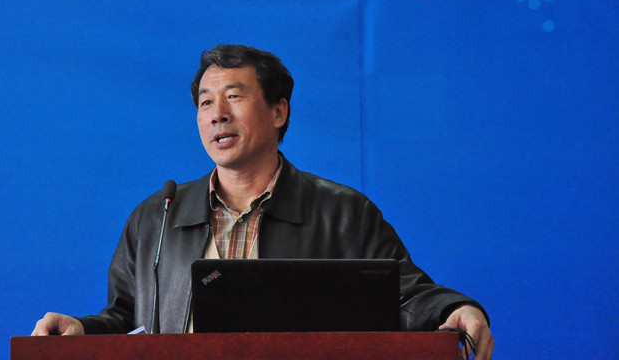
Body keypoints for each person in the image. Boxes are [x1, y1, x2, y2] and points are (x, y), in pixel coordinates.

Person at [33, 44, 494, 359]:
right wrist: (82, 330)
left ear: (278, 111)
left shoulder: (342, 213)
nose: (218, 115)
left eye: (234, 97)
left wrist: (453, 309)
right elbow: (127, 320)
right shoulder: (158, 215)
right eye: (206, 103)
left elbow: (402, 294)